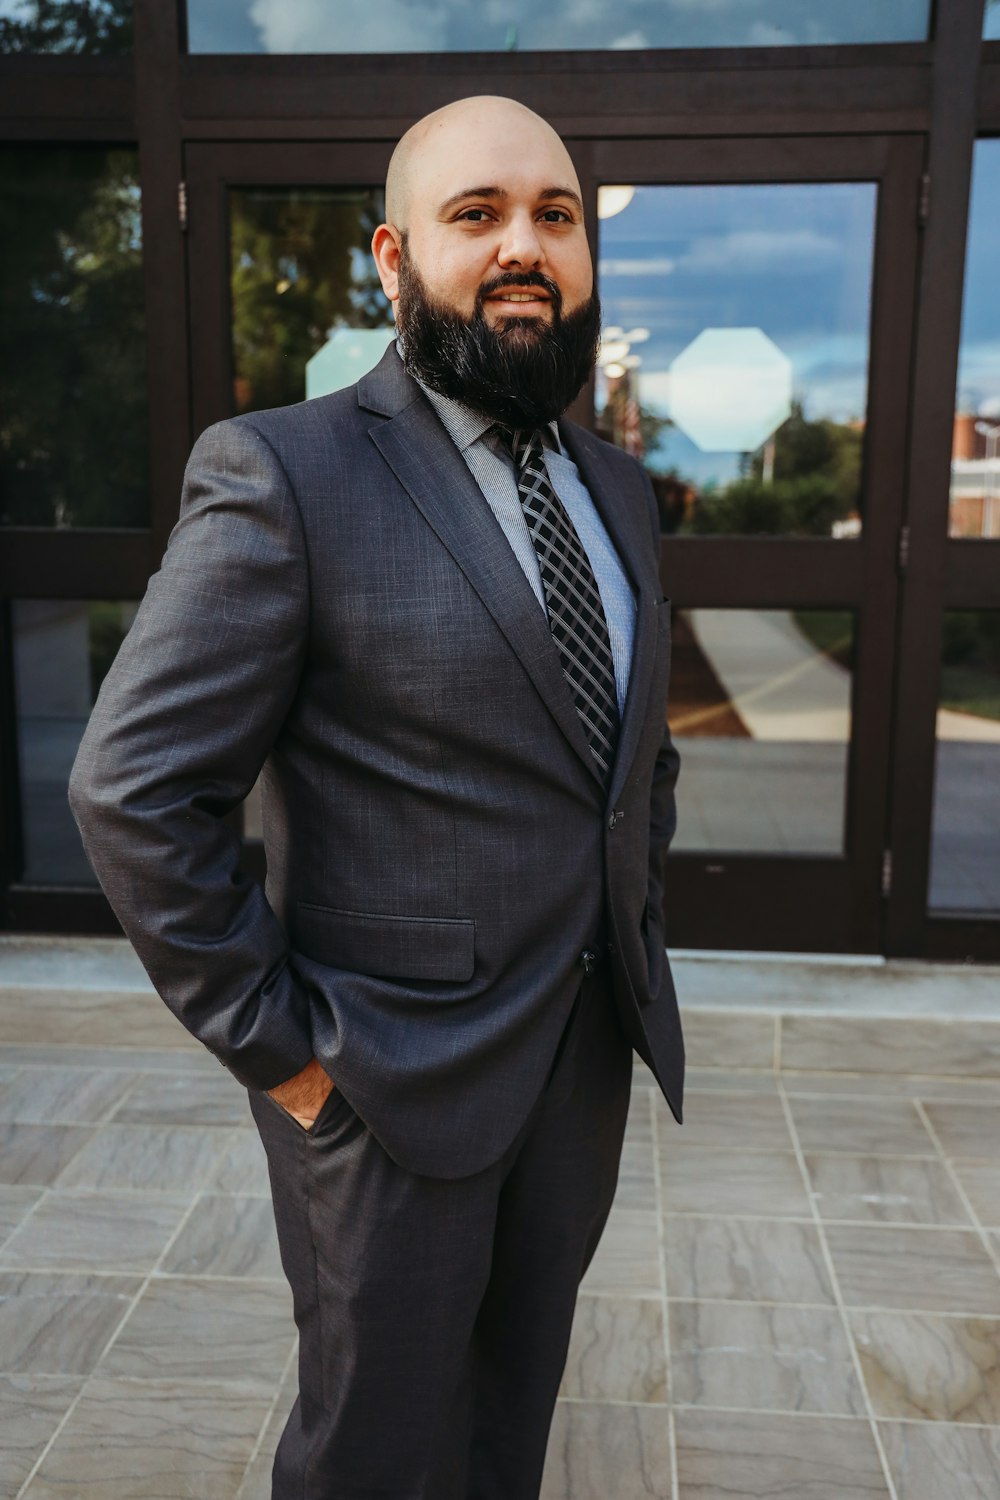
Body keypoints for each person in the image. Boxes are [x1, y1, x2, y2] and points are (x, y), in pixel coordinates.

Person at [69, 94, 684, 1500]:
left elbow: (637, 756)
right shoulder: (285, 472)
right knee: (377, 1453)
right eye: (477, 215)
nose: (524, 245)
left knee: (507, 1424)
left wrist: (630, 932)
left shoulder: (622, 490)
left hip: (579, 1066)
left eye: (558, 214)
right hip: (382, 1090)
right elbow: (133, 787)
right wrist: (289, 1062)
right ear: (393, 262)